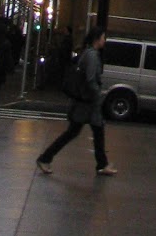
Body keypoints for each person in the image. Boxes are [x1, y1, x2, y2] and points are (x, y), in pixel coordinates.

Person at [35, 27, 116, 177]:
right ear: (97, 39)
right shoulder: (92, 56)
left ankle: (102, 164)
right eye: (103, 37)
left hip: (86, 103)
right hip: (87, 103)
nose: (105, 40)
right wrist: (98, 93)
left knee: (90, 131)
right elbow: (91, 79)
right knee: (76, 132)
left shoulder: (88, 53)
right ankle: (45, 158)